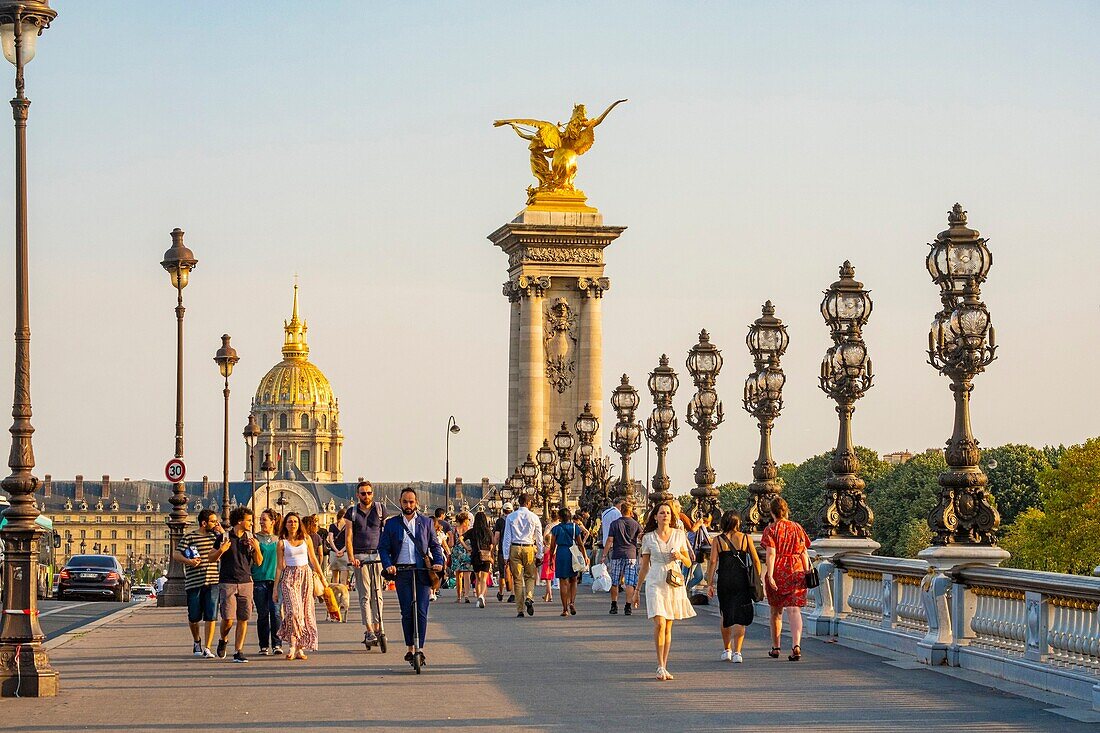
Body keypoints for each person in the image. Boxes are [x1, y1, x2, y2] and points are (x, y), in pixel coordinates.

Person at [379, 487, 445, 669]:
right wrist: (388, 565)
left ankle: (420, 648)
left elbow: (435, 545)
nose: (408, 505)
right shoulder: (392, 524)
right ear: (400, 503)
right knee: (407, 612)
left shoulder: (425, 523)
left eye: (411, 502)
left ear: (417, 503)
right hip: (402, 572)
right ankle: (410, 647)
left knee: (421, 611)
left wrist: (438, 562)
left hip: (422, 570)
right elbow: (383, 548)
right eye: (405, 502)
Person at [637, 501, 696, 681]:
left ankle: (664, 664)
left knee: (668, 625)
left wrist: (680, 556)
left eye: (668, 513)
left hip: (673, 580)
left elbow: (688, 562)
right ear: (655, 517)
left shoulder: (679, 535)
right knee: (660, 623)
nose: (665, 516)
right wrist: (637, 589)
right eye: (662, 513)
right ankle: (659, 665)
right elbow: (644, 566)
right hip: (655, 580)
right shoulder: (648, 538)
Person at [707, 510, 761, 663]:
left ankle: (727, 650)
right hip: (742, 580)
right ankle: (738, 652)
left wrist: (709, 583)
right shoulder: (745, 538)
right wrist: (756, 578)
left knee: (726, 614)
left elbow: (712, 562)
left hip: (725, 580)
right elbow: (756, 560)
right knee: (740, 616)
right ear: (738, 523)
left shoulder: (717, 540)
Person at [761, 497, 811, 662]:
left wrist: (769, 574)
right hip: (796, 569)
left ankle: (776, 647)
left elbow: (771, 553)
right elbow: (804, 552)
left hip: (779, 569)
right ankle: (796, 645)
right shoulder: (797, 528)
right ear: (786, 511)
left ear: (772, 513)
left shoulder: (771, 529)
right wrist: (807, 572)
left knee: (776, 611)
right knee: (794, 609)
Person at [212, 506, 262, 663]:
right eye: (249, 521)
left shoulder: (252, 538)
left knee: (243, 618)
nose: (252, 524)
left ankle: (238, 650)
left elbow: (259, 563)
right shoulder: (224, 538)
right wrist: (221, 550)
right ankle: (223, 639)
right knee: (228, 618)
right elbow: (210, 558)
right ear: (240, 521)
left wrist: (257, 548)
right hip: (227, 582)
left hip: (246, 582)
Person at [276, 512, 328, 661]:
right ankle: (293, 644)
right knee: (293, 611)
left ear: (299, 524)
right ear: (285, 524)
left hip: (305, 576)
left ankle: (299, 648)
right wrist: (275, 588)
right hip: (289, 577)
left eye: (295, 522)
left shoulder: (306, 539)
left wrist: (323, 578)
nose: (293, 524)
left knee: (305, 613)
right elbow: (279, 567)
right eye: (290, 522)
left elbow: (314, 559)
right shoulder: (282, 543)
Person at [172, 508, 221, 658]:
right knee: (194, 617)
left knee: (211, 615)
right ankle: (196, 640)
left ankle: (207, 647)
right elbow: (176, 554)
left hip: (213, 580)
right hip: (194, 581)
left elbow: (228, 545)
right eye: (213, 521)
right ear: (204, 523)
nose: (215, 523)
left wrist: (221, 532)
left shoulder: (216, 537)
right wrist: (189, 562)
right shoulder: (190, 537)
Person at [345, 480, 387, 648]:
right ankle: (369, 629)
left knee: (378, 594)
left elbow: (387, 533)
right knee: (365, 595)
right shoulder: (352, 512)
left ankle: (378, 626)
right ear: (357, 495)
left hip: (377, 555)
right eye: (363, 493)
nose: (366, 496)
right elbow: (348, 537)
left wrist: (388, 555)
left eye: (369, 493)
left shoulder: (380, 509)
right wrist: (351, 557)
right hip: (360, 556)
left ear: (373, 493)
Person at [502, 493, 544, 618]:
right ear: (529, 503)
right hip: (529, 548)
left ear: (518, 502)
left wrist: (505, 555)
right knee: (530, 576)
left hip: (514, 547)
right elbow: (539, 538)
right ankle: (529, 597)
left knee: (517, 580)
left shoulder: (510, 517)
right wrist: (540, 554)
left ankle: (520, 610)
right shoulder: (534, 517)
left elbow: (507, 537)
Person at [252, 508, 283, 656]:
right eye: (261, 519)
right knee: (263, 613)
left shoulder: (279, 540)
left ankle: (277, 644)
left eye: (264, 519)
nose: (261, 522)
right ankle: (263, 645)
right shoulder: (255, 538)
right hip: (259, 579)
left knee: (276, 613)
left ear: (273, 522)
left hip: (275, 580)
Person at [603, 501, 642, 615]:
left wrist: (604, 555)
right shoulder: (635, 524)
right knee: (630, 582)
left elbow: (610, 540)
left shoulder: (615, 524)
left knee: (615, 581)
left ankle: (614, 605)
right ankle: (628, 606)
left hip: (617, 554)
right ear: (630, 511)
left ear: (621, 511)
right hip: (631, 555)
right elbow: (641, 536)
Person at [548, 507, 588, 616]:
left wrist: (551, 558)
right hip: (573, 552)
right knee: (573, 579)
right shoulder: (575, 527)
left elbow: (552, 546)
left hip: (561, 553)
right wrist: (585, 556)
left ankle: (565, 609)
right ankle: (572, 602)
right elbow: (580, 543)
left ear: (560, 517)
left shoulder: (556, 529)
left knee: (563, 582)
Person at [467, 511, 494, 608]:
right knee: (484, 579)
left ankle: (479, 598)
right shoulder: (488, 531)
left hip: (475, 556)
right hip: (485, 556)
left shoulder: (472, 531)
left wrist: (467, 547)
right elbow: (492, 545)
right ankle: (482, 596)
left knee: (477, 579)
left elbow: (461, 538)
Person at [492, 503, 514, 603]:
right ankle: (513, 594)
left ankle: (501, 593)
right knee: (514, 573)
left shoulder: (500, 521)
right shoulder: (515, 519)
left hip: (502, 549)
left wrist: (493, 548)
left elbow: (497, 536)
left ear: (503, 511)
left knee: (502, 573)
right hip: (514, 548)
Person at [451, 512, 473, 603]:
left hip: (457, 552)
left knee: (458, 575)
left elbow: (451, 543)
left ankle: (459, 596)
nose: (469, 521)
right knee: (467, 575)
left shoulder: (455, 530)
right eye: (468, 520)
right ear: (465, 520)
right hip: (467, 552)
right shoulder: (469, 530)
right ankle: (467, 595)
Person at [431, 514, 452, 602]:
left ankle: (435, 590)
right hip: (428, 555)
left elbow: (444, 544)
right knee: (430, 573)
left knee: (440, 574)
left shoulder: (440, 533)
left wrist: (449, 553)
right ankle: (431, 591)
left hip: (439, 555)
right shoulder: (425, 532)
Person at [327, 508, 349, 586]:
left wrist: (336, 550)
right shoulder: (348, 527)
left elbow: (330, 539)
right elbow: (349, 541)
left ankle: (335, 596)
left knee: (335, 578)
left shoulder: (332, 526)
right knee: (343, 579)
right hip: (345, 553)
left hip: (334, 553)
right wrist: (342, 551)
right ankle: (343, 596)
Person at [540, 509, 559, 602]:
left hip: (550, 550)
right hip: (559, 550)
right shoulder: (560, 525)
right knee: (551, 574)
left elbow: (545, 537)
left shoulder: (549, 526)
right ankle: (546, 595)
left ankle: (549, 595)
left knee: (548, 576)